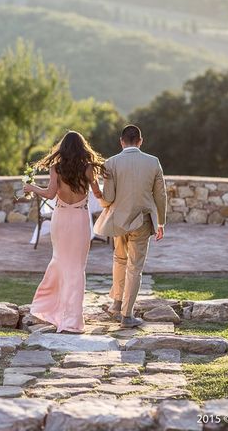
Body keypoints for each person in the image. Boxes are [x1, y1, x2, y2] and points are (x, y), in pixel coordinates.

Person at [23, 131, 104, 333]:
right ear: (83, 147)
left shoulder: (56, 167)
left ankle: (51, 310)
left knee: (59, 262)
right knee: (76, 268)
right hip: (79, 219)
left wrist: (32, 187)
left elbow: (50, 194)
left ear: (63, 147)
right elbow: (98, 194)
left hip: (60, 218)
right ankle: (72, 320)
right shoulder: (88, 168)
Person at [94, 125, 167, 328]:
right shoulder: (153, 162)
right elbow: (161, 195)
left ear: (121, 141)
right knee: (135, 267)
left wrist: (101, 199)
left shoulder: (111, 163)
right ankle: (127, 315)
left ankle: (117, 304)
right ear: (140, 141)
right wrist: (161, 221)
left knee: (119, 260)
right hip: (142, 221)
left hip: (119, 221)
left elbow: (108, 199)